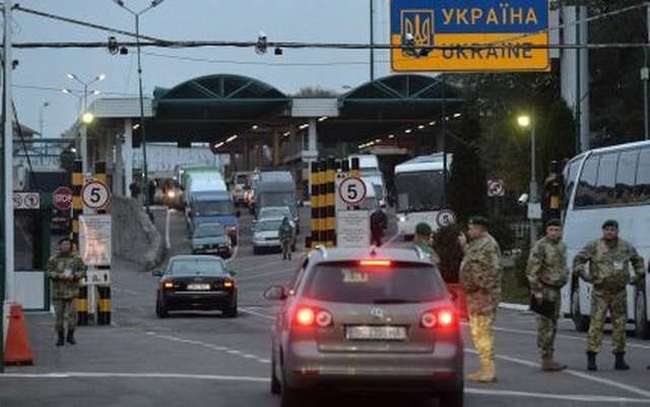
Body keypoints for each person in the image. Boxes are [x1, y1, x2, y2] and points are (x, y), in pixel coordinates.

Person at [573, 219, 645, 371]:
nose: (609, 232)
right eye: (606, 230)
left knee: (620, 325)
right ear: (603, 231)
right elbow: (578, 260)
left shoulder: (626, 247)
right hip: (600, 292)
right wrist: (585, 276)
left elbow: (638, 261)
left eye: (612, 229)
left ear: (617, 231)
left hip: (619, 292)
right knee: (596, 324)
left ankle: (619, 358)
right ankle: (592, 357)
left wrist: (637, 277)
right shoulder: (594, 246)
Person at [459, 216, 502, 383]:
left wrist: (482, 289)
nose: (469, 232)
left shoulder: (488, 245)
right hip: (476, 295)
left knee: (483, 332)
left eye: (471, 228)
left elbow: (492, 270)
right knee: (478, 332)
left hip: (483, 296)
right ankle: (485, 367)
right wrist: (464, 247)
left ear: (480, 229)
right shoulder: (478, 244)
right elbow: (472, 261)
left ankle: (489, 370)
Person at [526, 219, 569, 372]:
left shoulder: (561, 246)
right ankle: (546, 358)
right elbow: (532, 270)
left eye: (557, 230)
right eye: (551, 229)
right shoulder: (541, 246)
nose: (554, 232)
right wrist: (536, 290)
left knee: (553, 324)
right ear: (546, 231)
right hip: (544, 290)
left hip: (556, 290)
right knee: (545, 326)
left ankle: (550, 357)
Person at [47, 238, 86, 347]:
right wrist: (58, 275)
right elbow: (49, 272)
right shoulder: (53, 259)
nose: (66, 246)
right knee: (59, 316)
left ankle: (70, 335)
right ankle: (60, 337)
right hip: (58, 292)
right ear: (59, 246)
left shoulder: (76, 258)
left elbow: (83, 270)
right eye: (63, 244)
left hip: (72, 291)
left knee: (72, 315)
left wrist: (75, 276)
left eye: (68, 244)